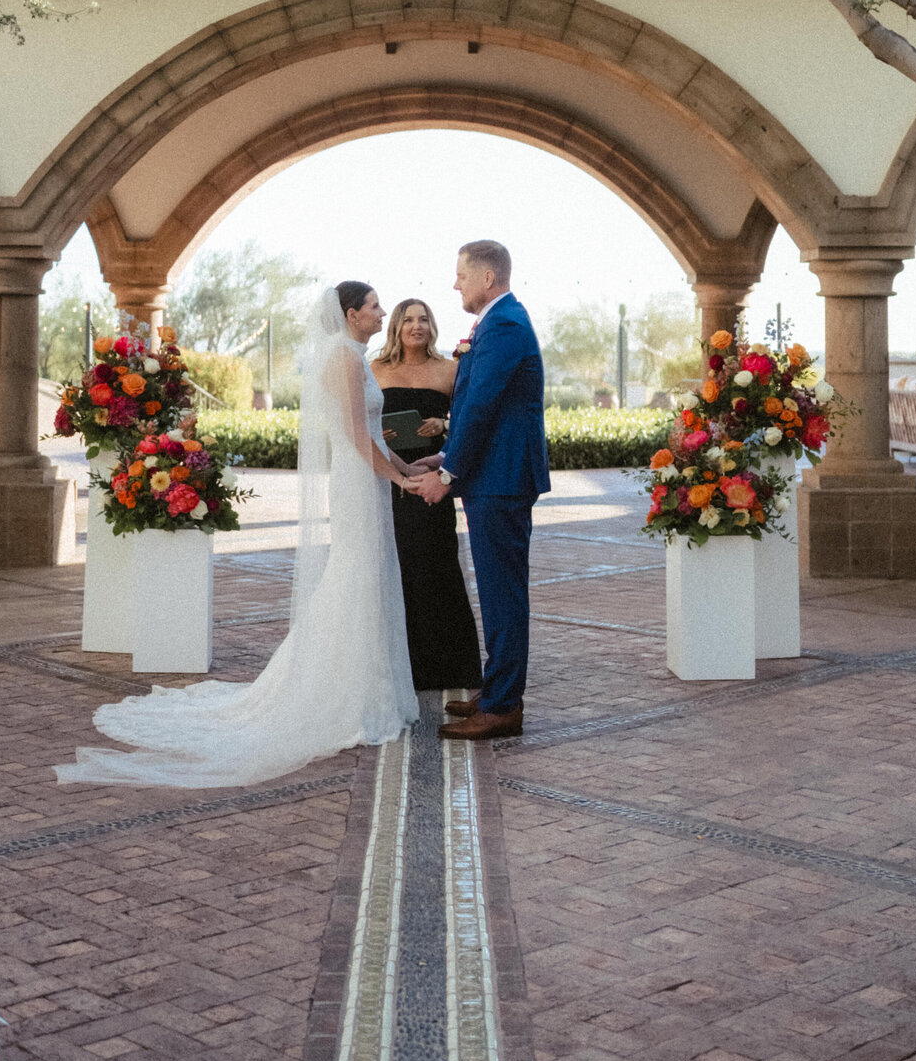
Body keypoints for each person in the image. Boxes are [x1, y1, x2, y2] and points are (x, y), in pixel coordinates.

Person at [57, 282, 420, 788]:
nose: (383, 313)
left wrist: (412, 465)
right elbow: (359, 439)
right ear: (351, 314)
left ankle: (361, 689)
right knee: (354, 576)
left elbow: (376, 435)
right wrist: (401, 478)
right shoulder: (343, 358)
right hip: (358, 482)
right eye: (375, 306)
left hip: (368, 479)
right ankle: (340, 694)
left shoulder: (353, 356)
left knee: (365, 575)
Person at [407, 241, 549, 740]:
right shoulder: (496, 323)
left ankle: (505, 706)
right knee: (495, 590)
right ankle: (495, 692)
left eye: (461, 275)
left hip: (502, 479)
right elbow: (476, 408)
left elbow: (486, 406)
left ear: (487, 278)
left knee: (502, 593)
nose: (455, 284)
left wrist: (447, 478)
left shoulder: (505, 324)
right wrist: (446, 456)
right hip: (493, 476)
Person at [372, 299, 482, 692]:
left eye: (423, 319)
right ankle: (403, 666)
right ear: (396, 328)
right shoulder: (376, 370)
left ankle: (451, 668)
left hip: (433, 478)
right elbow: (360, 423)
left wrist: (444, 422)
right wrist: (379, 435)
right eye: (408, 320)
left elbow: (471, 424)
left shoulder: (450, 371)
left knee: (437, 562)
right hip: (388, 479)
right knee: (396, 565)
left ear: (431, 326)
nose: (416, 326)